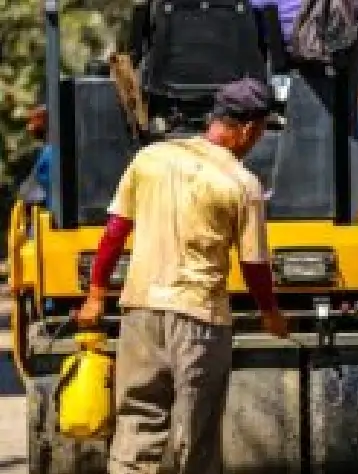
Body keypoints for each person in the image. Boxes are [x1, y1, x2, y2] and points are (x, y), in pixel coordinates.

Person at [75, 78, 289, 474]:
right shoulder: (243, 185)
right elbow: (254, 264)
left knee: (137, 424)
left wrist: (96, 295)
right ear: (246, 129)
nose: (258, 139)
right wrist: (269, 312)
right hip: (199, 320)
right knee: (196, 436)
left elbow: (114, 233)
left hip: (139, 312)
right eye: (260, 131)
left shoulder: (150, 159)